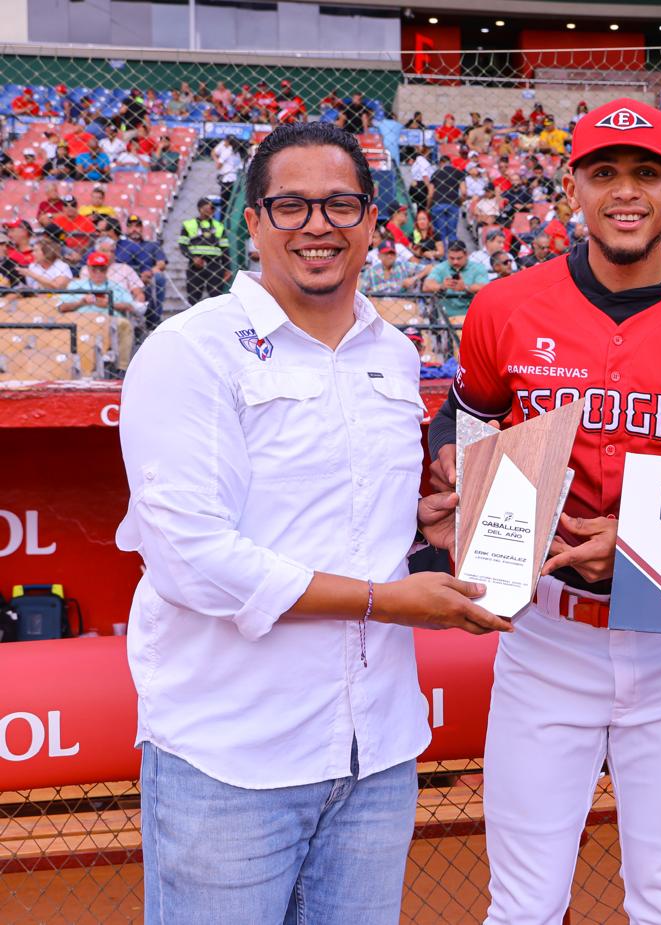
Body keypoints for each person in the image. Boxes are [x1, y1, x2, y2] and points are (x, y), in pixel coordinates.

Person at [114, 120, 508, 925]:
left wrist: (422, 529)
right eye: (291, 205)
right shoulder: (191, 350)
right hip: (230, 757)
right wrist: (386, 600)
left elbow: (350, 518)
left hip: (376, 751)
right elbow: (192, 559)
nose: (317, 225)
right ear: (254, 221)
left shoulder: (393, 353)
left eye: (340, 204)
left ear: (372, 219)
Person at [422, 97, 661, 925]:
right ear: (573, 188)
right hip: (546, 633)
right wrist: (457, 465)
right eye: (605, 172)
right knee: (523, 905)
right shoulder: (506, 305)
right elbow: (463, 423)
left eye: (647, 173)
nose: (626, 190)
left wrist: (641, 543)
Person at [116, 214, 168, 329]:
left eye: (137, 226)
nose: (134, 229)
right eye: (131, 226)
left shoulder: (152, 245)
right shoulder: (120, 246)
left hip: (147, 278)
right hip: (126, 279)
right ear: (126, 229)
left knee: (159, 278)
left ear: (142, 228)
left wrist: (150, 272)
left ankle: (154, 321)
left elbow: (161, 263)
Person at [178, 196, 231, 305]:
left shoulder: (219, 226)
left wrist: (227, 268)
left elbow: (225, 248)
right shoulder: (189, 224)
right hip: (195, 266)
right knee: (193, 298)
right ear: (200, 208)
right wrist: (193, 258)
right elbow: (182, 245)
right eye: (208, 207)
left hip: (215, 265)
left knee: (216, 298)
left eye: (212, 208)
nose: (211, 210)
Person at [58, 251, 141, 319]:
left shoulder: (117, 285)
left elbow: (130, 307)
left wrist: (110, 304)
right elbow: (61, 307)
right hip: (82, 321)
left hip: (111, 322)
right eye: (94, 269)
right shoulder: (76, 285)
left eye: (102, 269)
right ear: (88, 269)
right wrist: (81, 303)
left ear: (107, 269)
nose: (98, 273)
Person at [422, 240, 486, 319]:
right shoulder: (441, 267)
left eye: (459, 258)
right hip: (446, 316)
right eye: (452, 258)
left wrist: (465, 288)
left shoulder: (478, 267)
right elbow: (426, 286)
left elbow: (485, 287)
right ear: (447, 255)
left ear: (466, 255)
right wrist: (442, 286)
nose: (455, 262)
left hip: (472, 314)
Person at [359, 240, 433, 294]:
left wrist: (413, 279)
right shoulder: (371, 272)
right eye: (386, 253)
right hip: (378, 306)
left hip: (401, 305)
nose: (389, 256)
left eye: (392, 253)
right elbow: (363, 293)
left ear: (396, 255)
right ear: (379, 256)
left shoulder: (403, 266)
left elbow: (430, 268)